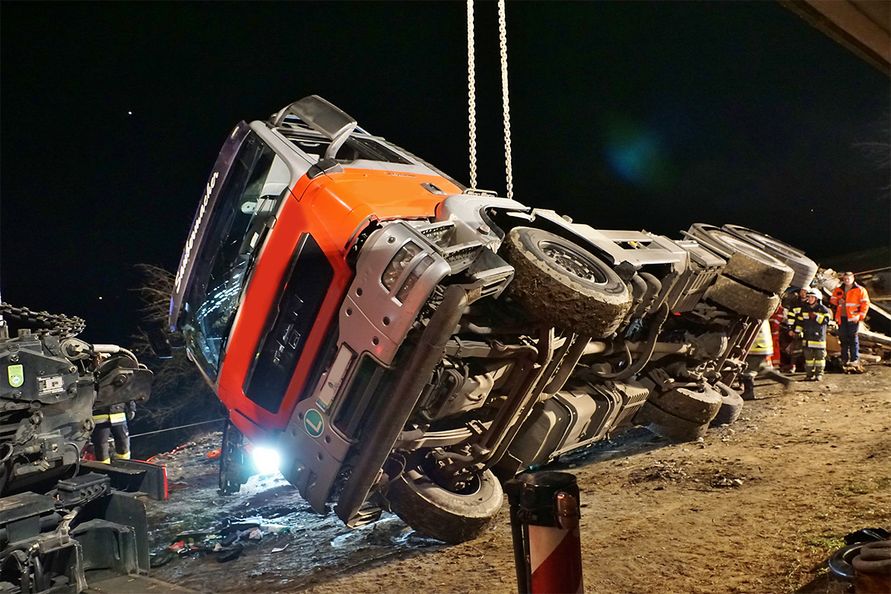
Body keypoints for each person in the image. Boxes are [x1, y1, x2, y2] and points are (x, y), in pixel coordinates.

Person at [740, 319, 794, 400]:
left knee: (748, 369)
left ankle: (749, 393)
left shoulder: (754, 315)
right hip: (761, 345)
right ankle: (785, 381)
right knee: (761, 368)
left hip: (755, 346)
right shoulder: (762, 315)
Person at [830, 271, 870, 371]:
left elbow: (865, 304)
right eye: (845, 279)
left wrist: (860, 316)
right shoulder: (839, 289)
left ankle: (854, 359)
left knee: (853, 339)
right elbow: (833, 300)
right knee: (843, 338)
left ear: (853, 279)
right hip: (842, 318)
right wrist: (838, 301)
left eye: (848, 279)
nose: (847, 280)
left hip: (853, 318)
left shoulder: (860, 290)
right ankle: (844, 359)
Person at [795, 288, 831, 381]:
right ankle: (809, 374)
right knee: (808, 359)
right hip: (807, 339)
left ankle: (819, 374)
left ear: (817, 298)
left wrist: (817, 316)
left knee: (820, 358)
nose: (810, 299)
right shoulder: (804, 309)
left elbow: (826, 321)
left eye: (812, 297)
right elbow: (800, 322)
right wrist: (798, 332)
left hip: (818, 339)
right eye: (809, 297)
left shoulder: (822, 309)